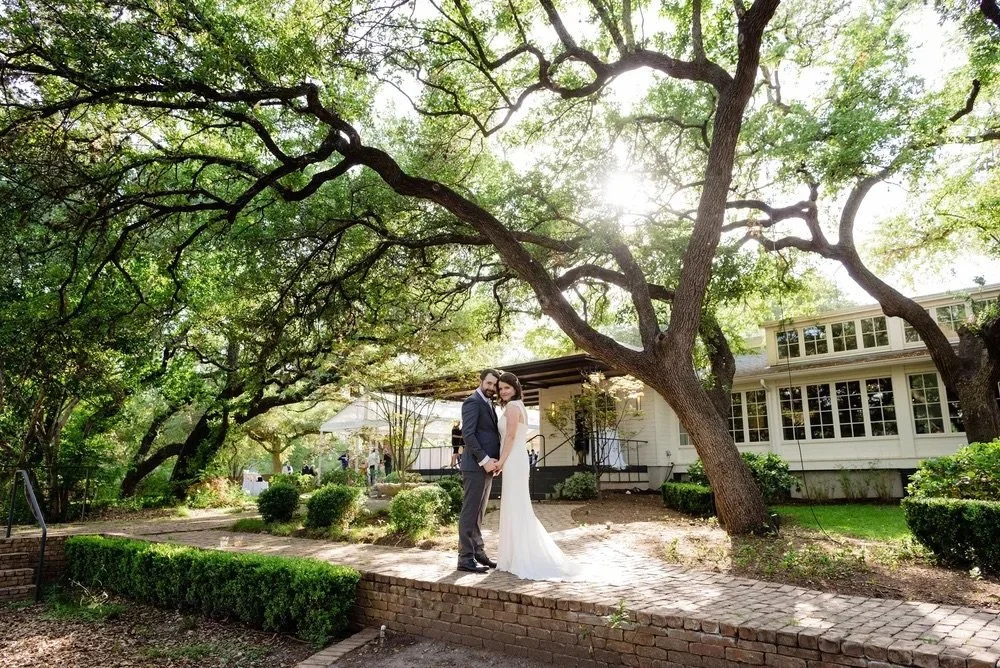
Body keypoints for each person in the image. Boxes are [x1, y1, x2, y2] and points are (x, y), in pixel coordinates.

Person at [495, 372, 581, 581]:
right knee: (516, 506)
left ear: (515, 387)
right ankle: (513, 555)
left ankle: (521, 556)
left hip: (513, 459)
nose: (503, 391)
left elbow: (511, 436)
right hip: (515, 459)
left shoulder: (514, 407)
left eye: (507, 387)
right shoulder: (518, 406)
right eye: (501, 388)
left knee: (516, 506)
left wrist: (500, 461)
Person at [457, 368, 501, 574]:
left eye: (495, 385)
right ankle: (465, 558)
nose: (492, 388)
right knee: (470, 513)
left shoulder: (488, 403)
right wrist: (484, 460)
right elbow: (468, 435)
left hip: (487, 467)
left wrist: (495, 462)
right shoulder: (472, 402)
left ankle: (479, 553)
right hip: (475, 466)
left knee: (479, 513)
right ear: (481, 381)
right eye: (489, 383)